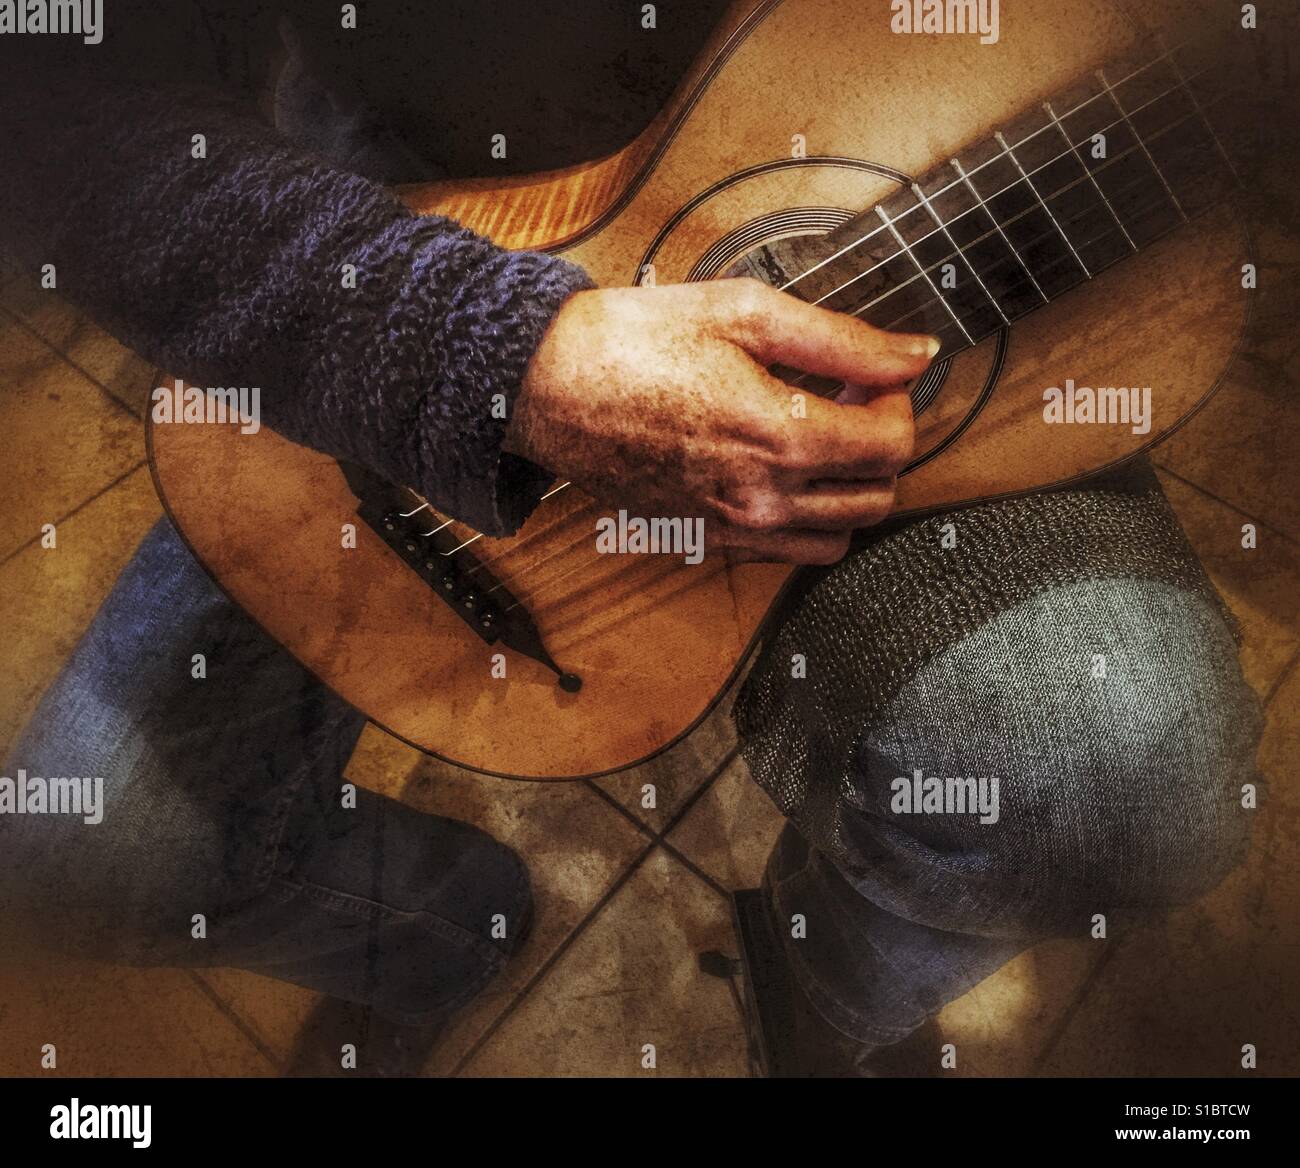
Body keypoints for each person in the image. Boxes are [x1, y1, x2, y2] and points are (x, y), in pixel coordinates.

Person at [0, 1, 1260, 1076]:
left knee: (1125, 798)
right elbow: (54, 110)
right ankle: (458, 939)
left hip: (951, 212)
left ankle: (813, 998)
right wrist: (503, 362)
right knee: (90, 861)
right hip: (412, 239)